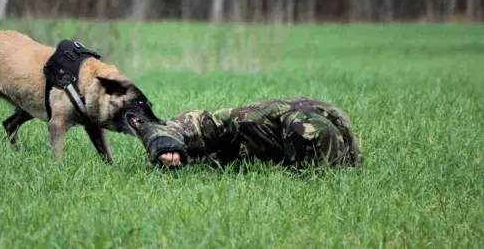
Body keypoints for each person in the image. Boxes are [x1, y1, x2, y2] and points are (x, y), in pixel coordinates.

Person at [129, 96, 362, 171]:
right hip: (238, 148)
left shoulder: (338, 139)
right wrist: (164, 143)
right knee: (203, 163)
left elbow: (325, 183)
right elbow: (199, 123)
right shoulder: (253, 119)